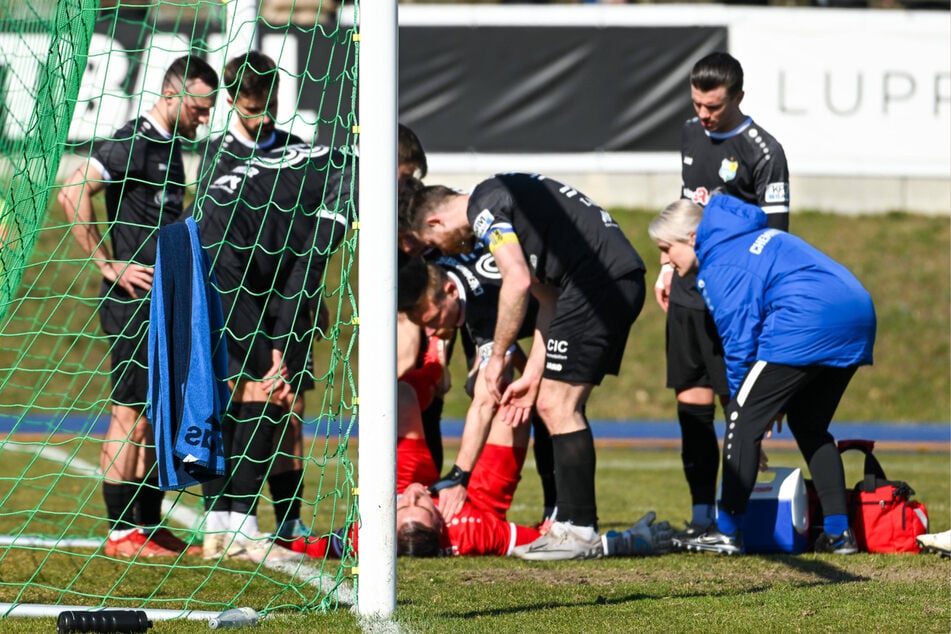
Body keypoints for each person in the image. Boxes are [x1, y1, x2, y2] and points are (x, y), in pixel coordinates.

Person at [401, 172, 647, 560]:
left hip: (599, 281)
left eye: (434, 244)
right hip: (594, 283)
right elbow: (546, 298)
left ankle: (579, 528)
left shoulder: (485, 205)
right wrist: (531, 374)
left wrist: (498, 357)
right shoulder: (505, 204)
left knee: (559, 406)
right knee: (549, 400)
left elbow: (515, 281)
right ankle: (568, 524)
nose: (444, 252)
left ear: (436, 223)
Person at [648, 194, 876, 555]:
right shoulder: (748, 236)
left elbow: (739, 345)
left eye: (665, 248)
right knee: (810, 425)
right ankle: (838, 533)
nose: (663, 259)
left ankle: (726, 532)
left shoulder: (719, 265)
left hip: (807, 320)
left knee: (741, 418)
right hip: (857, 315)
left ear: (692, 238)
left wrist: (746, 410)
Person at [58, 55, 218, 559]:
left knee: (155, 412)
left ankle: (148, 523)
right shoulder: (136, 139)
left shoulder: (170, 147)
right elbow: (73, 189)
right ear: (173, 95)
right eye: (199, 107)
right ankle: (121, 532)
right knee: (129, 414)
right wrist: (109, 265)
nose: (205, 117)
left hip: (159, 300)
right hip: (129, 302)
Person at [194, 134, 357, 562]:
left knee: (238, 393)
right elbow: (309, 260)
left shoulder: (305, 157)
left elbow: (290, 246)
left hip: (216, 261)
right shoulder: (350, 177)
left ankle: (220, 527)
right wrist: (282, 345)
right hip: (233, 272)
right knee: (272, 387)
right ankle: (244, 530)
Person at [283, 382, 672, 559]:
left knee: (399, 393)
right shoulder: (474, 531)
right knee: (514, 408)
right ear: (441, 523)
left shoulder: (366, 535)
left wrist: (268, 543)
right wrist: (625, 542)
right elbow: (544, 542)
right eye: (424, 505)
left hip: (400, 476)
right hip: (479, 499)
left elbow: (311, 547)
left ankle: (431, 374)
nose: (418, 495)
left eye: (405, 506)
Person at [656, 51, 790, 537]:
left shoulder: (764, 151)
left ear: (737, 97)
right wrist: (666, 266)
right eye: (696, 103)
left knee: (741, 409)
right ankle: (699, 517)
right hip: (690, 293)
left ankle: (739, 518)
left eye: (712, 106)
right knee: (691, 405)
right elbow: (686, 206)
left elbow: (777, 240)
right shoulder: (691, 132)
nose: (703, 115)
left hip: (737, 301)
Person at [193, 52, 315, 547]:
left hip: (286, 296)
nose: (263, 115)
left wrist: (307, 296)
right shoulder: (214, 160)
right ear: (229, 101)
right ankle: (225, 516)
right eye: (251, 106)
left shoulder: (296, 152)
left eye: (270, 104)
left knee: (291, 404)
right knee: (240, 395)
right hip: (232, 296)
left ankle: (287, 519)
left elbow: (308, 231)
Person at [398, 254, 557, 525]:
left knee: (553, 405)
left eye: (433, 319)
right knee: (509, 389)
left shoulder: (483, 307)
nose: (429, 331)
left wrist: (460, 474)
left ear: (449, 290)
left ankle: (565, 514)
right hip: (534, 312)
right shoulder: (443, 270)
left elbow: (484, 403)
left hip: (577, 304)